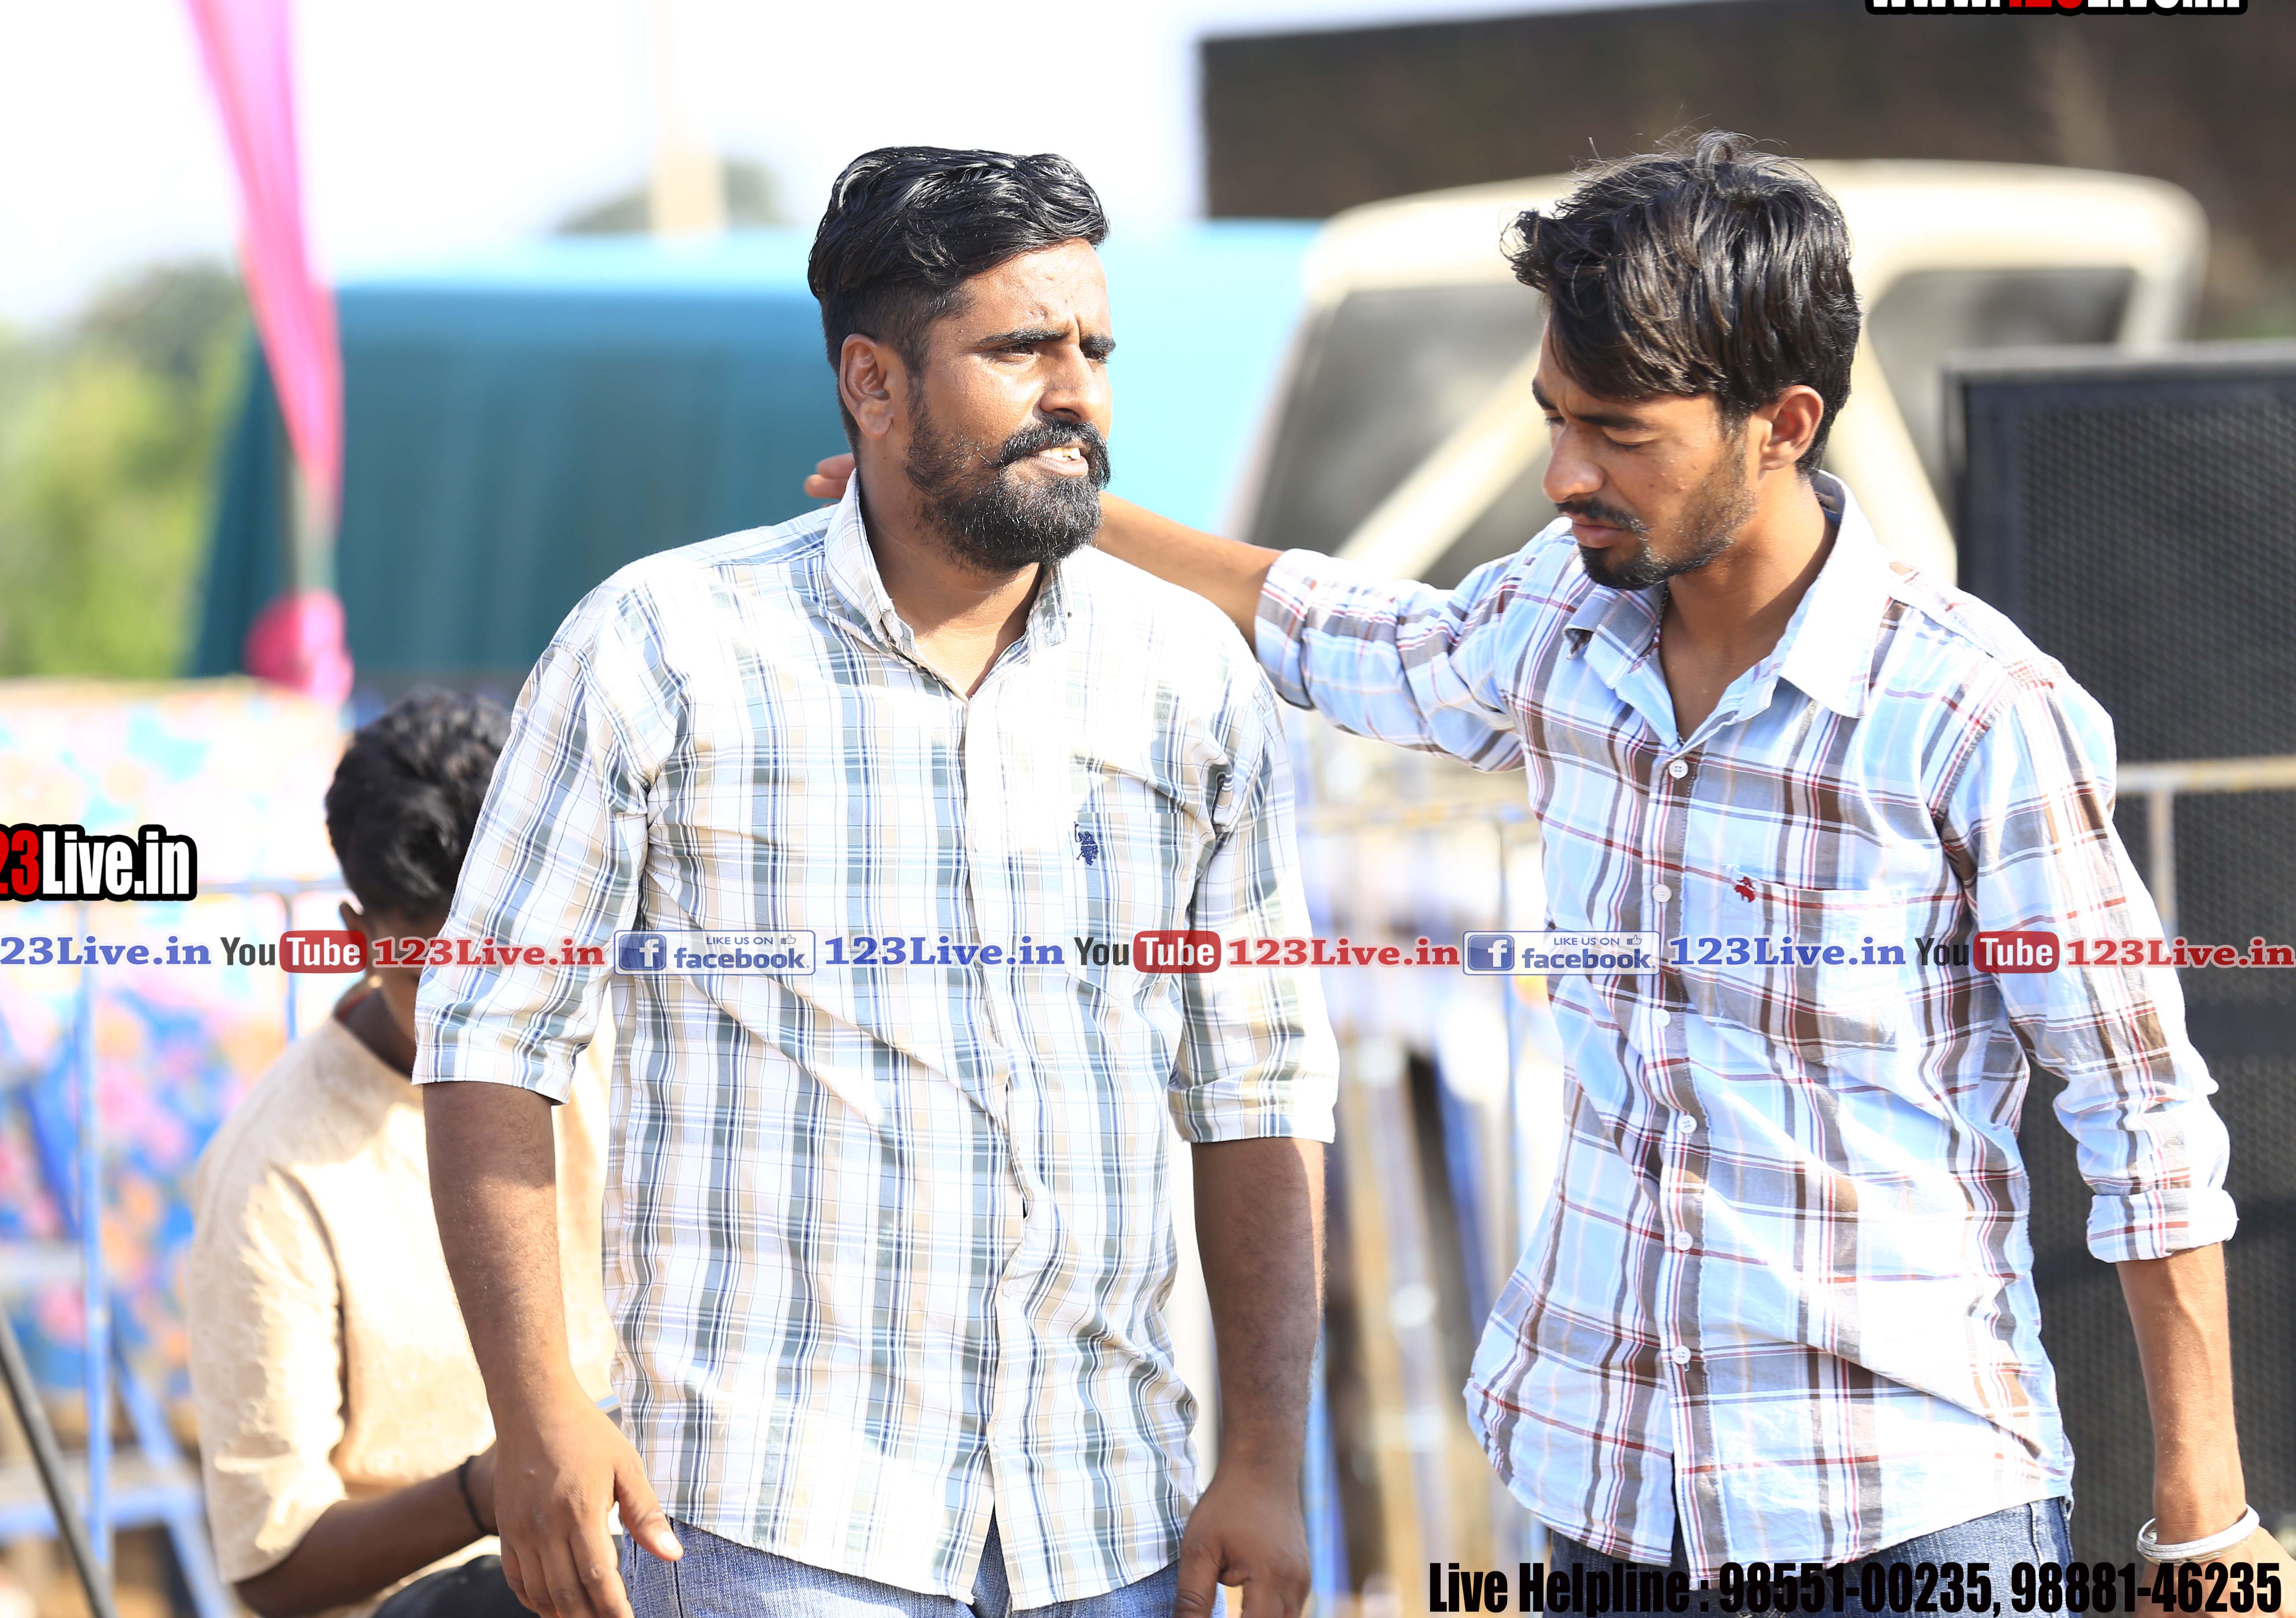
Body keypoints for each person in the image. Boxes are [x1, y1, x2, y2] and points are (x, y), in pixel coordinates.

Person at [809, 132, 2292, 1577]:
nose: (1564, 472)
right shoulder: (1559, 620)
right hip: (1605, 1499)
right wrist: (1046, 505)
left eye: (1620, 433)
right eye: (1554, 418)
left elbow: (2143, 1115)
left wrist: (2204, 1521)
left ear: (1783, 425)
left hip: (1904, 1517)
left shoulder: (1977, 713)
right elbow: (1341, 627)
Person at [412, 147, 1338, 1618]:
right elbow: (489, 1038)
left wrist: (1267, 1463)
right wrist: (537, 1416)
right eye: (1021, 349)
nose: (1078, 393)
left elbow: (1259, 1085)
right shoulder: (665, 647)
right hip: (772, 1527)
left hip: (1110, 1523)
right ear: (873, 383)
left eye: (1096, 350)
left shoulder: (1189, 678)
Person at [187, 691, 619, 1618]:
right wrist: (496, 1484)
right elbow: (272, 1567)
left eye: (507, 964)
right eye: (435, 977)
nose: (480, 1015)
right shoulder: (274, 1175)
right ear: (361, 941)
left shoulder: (613, 1047)